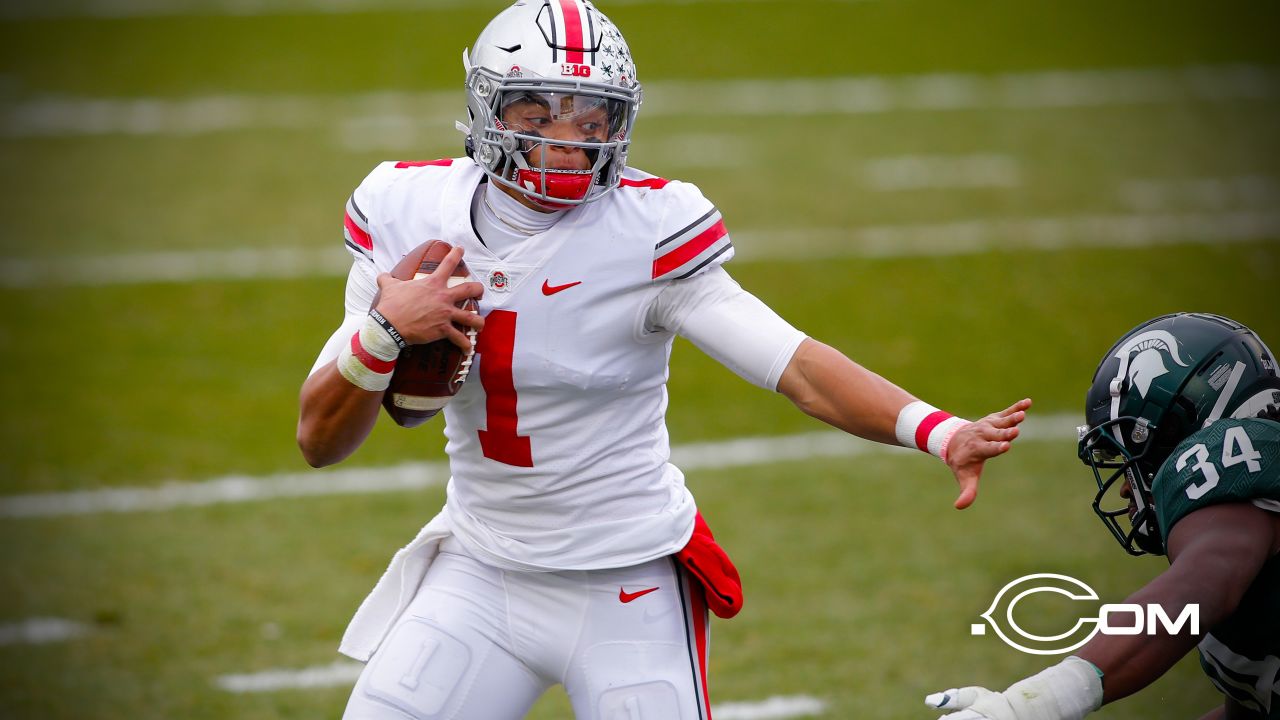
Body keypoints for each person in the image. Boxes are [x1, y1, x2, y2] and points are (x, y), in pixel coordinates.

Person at [297, 2, 1030, 718]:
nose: (570, 141)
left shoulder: (650, 229)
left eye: (592, 119)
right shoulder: (404, 208)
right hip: (480, 568)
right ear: (491, 110)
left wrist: (938, 431)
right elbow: (320, 440)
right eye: (540, 116)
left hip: (627, 582)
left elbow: (795, 366)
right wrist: (384, 333)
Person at [928, 312, 1280, 720]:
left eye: (1132, 454)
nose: (1126, 487)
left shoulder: (1239, 464)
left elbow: (1197, 591)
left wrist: (1030, 706)